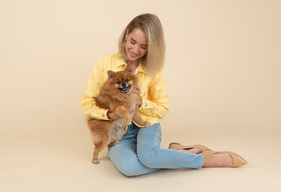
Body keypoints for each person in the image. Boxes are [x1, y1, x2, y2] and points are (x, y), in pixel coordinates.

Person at [81, 13, 247, 177]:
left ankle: (203, 160)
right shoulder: (104, 64)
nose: (135, 50)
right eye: (133, 42)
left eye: (143, 47)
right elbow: (87, 103)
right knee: (129, 167)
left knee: (148, 157)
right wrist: (109, 114)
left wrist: (141, 103)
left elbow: (163, 108)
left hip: (146, 125)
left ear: (151, 47)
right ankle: (174, 153)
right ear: (126, 34)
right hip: (117, 129)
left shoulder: (154, 71)